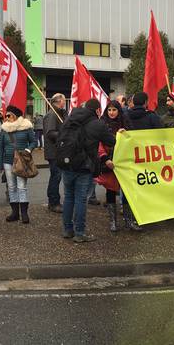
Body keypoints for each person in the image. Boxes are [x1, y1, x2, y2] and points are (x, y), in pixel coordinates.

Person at [59, 99, 117, 242]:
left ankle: (67, 230)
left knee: (68, 197)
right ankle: (79, 233)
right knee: (80, 199)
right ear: (97, 110)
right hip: (84, 165)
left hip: (66, 163)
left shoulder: (70, 118)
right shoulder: (97, 124)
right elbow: (112, 141)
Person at [121, 92, 163, 229]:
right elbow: (161, 135)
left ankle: (129, 218)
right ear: (145, 102)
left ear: (133, 102)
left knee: (130, 187)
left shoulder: (124, 116)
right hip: (149, 158)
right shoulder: (152, 117)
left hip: (129, 157)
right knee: (148, 185)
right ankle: (146, 215)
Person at [0, 106, 38, 223]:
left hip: (21, 161)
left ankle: (24, 214)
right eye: (6, 116)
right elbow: (0, 148)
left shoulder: (26, 127)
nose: (7, 118)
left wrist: (28, 150)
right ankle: (15, 213)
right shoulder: (4, 129)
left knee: (21, 187)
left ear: (15, 115)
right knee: (11, 187)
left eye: (9, 115)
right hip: (8, 162)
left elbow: (34, 141)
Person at [96, 100, 128, 231]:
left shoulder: (125, 124)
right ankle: (113, 221)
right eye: (109, 110)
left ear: (119, 111)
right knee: (110, 191)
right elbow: (99, 144)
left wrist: (125, 134)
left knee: (126, 191)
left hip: (124, 163)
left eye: (114, 110)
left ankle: (129, 220)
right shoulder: (102, 124)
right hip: (109, 163)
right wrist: (105, 159)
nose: (111, 112)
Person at [43, 93, 67, 213]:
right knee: (56, 176)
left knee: (56, 176)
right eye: (63, 100)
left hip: (58, 151)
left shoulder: (60, 113)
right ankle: (53, 202)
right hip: (54, 152)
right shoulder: (52, 114)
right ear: (59, 101)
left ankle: (53, 200)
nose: (65, 102)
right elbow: (50, 133)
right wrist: (65, 135)